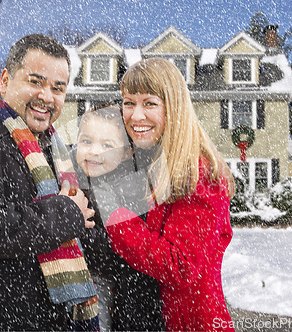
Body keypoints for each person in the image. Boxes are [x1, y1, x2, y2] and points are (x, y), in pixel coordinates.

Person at [0, 34, 99, 331]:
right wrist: (65, 212)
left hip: (59, 322)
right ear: (5, 80)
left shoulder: (58, 153)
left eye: (57, 88)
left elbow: (83, 231)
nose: (47, 97)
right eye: (35, 82)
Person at [101, 57, 236, 331]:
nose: (136, 115)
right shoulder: (154, 162)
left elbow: (180, 265)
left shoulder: (200, 173)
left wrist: (115, 217)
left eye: (149, 103)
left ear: (173, 107)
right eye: (129, 102)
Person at [74, 102, 165, 331]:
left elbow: (118, 243)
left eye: (107, 145)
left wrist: (81, 232)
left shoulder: (130, 189)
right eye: (86, 141)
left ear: (126, 153)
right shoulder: (70, 177)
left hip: (113, 282)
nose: (94, 151)